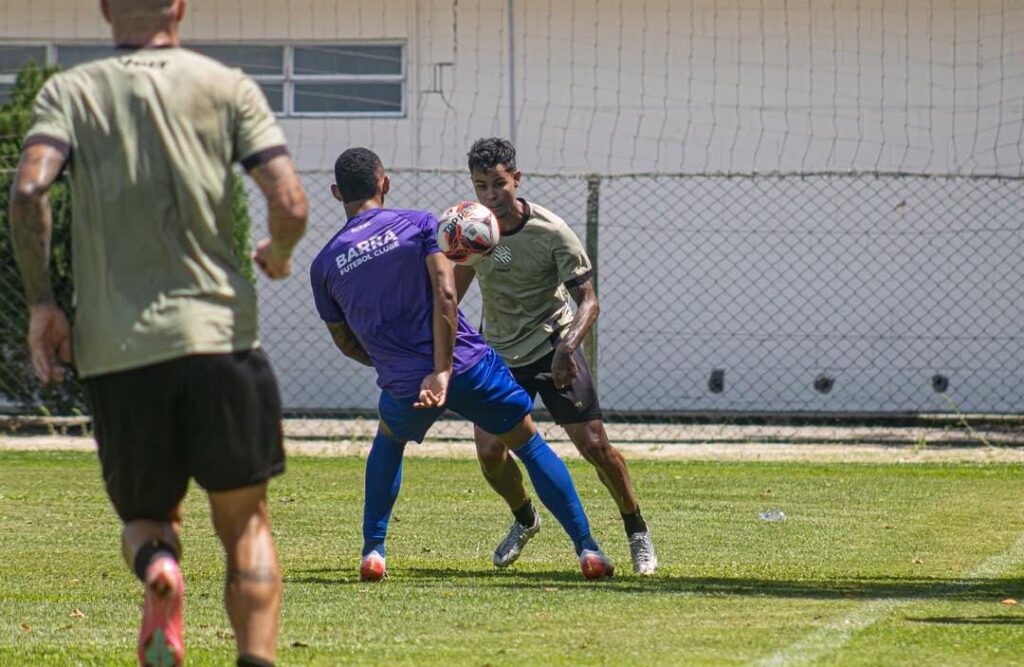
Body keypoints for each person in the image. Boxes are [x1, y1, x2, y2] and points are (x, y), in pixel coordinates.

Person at [8, 1, 308, 665]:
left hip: (119, 351)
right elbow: (289, 200)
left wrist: (43, 303)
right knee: (245, 526)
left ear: (106, 7)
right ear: (179, 5)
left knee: (146, 521)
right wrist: (280, 253)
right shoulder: (226, 85)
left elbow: (29, 192)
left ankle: (157, 567)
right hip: (220, 341)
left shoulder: (71, 91)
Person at [309, 147, 613, 582]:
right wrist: (443, 367)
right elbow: (447, 294)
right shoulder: (417, 224)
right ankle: (588, 549)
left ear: (338, 193)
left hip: (405, 383)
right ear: (385, 184)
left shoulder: (324, 264)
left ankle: (373, 551)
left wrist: (398, 365)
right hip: (466, 365)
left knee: (389, 444)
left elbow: (344, 341)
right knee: (529, 444)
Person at [455, 137, 659, 575]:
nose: (490, 195)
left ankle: (636, 530)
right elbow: (449, 296)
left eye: (498, 183)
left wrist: (568, 347)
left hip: (553, 347)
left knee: (594, 446)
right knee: (490, 452)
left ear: (516, 179)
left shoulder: (551, 231)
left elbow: (589, 301)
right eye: (480, 185)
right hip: (501, 357)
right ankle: (525, 518)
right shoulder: (472, 233)